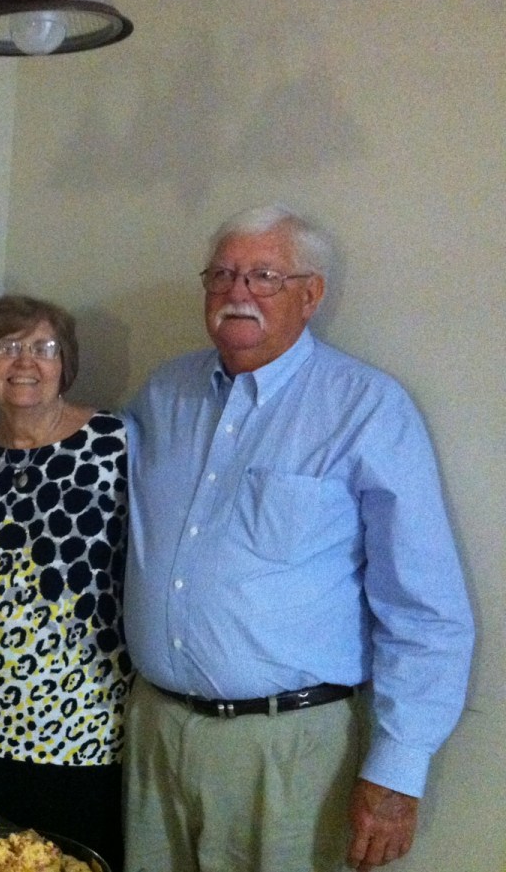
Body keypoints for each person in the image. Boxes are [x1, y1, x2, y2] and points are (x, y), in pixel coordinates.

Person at [123, 204, 475, 872]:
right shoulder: (164, 393)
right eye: (222, 274)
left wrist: (397, 770)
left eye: (264, 276)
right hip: (154, 733)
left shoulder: (367, 407)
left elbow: (424, 607)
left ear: (310, 295)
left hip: (290, 752)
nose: (238, 292)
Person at [0, 295, 130, 872]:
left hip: (80, 724)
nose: (25, 361)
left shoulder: (115, 444)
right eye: (6, 347)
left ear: (65, 363)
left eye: (44, 347)